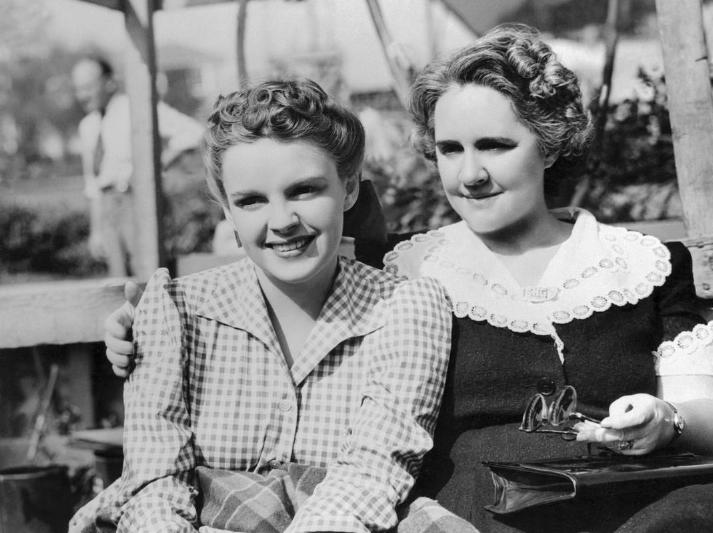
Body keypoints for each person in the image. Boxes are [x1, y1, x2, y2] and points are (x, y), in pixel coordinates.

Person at [103, 24, 713, 532]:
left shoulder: (641, 264)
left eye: (494, 146)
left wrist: (667, 417)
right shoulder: (405, 265)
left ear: (548, 142)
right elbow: (288, 262)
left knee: (707, 516)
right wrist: (142, 323)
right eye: (450, 150)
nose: (469, 174)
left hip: (630, 502)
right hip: (481, 512)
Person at [70, 79, 457, 533]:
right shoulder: (175, 309)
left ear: (348, 189)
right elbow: (157, 482)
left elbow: (372, 473)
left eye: (304, 190)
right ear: (227, 211)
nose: (281, 222)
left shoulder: (406, 307)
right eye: (251, 201)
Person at [72, 56, 205, 277]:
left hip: (136, 201)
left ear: (109, 82)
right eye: (78, 89)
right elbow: (93, 184)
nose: (82, 95)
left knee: (146, 273)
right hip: (107, 209)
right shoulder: (87, 125)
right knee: (117, 282)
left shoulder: (135, 107)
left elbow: (192, 132)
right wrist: (96, 230)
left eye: (88, 87)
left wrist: (157, 162)